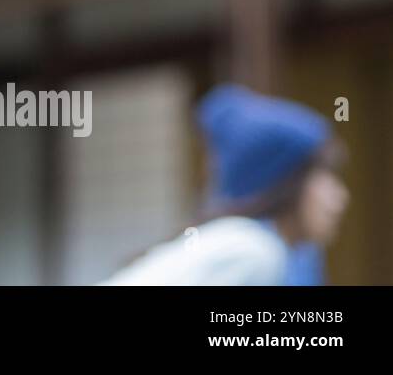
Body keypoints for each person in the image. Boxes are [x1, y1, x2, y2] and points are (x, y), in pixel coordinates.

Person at [99, 83, 348, 285]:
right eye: (324, 177)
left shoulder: (279, 252)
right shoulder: (252, 252)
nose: (339, 197)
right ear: (285, 183)